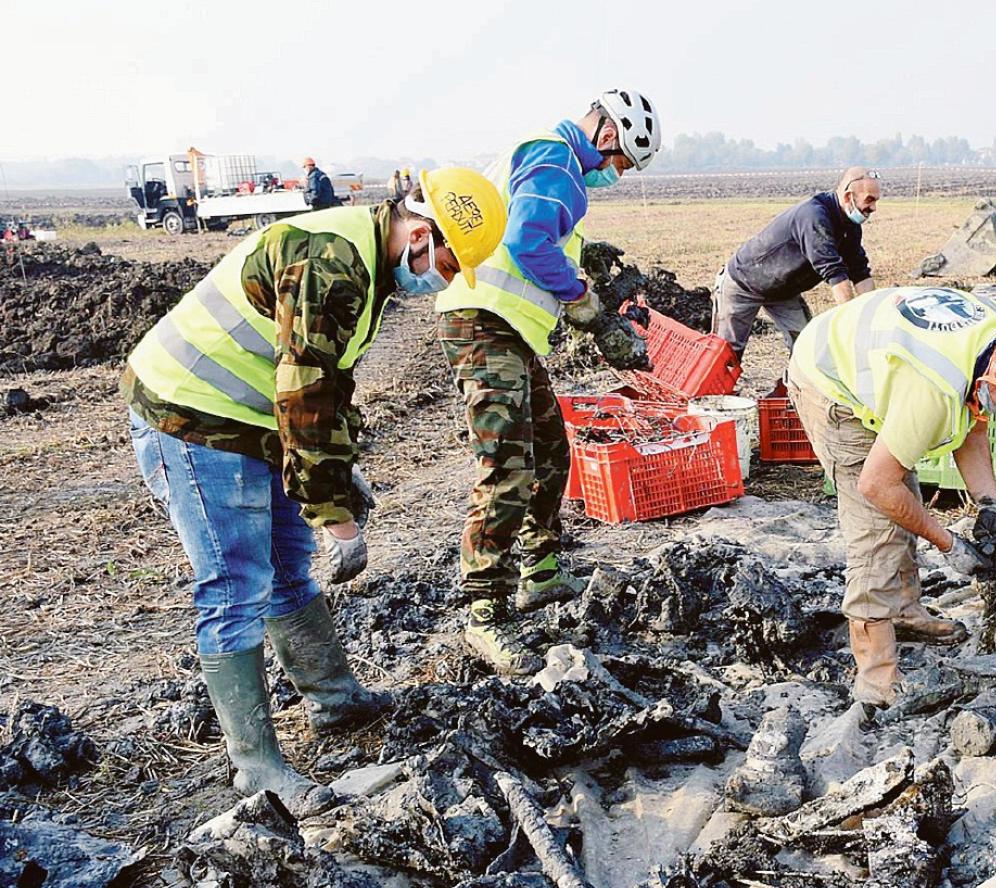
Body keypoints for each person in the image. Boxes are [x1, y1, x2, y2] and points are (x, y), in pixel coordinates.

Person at [122, 169, 507, 812]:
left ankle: (333, 701)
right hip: (190, 414)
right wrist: (333, 513)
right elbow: (303, 393)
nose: (442, 280)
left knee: (286, 568)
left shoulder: (369, 261)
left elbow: (328, 383)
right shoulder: (334, 263)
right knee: (236, 584)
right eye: (446, 264)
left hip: (252, 416)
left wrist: (337, 466)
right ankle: (256, 767)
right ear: (420, 233)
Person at [434, 89, 662, 673]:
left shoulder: (545, 155)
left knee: (551, 449)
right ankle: (483, 611)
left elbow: (538, 231)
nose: (615, 175)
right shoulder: (559, 160)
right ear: (608, 137)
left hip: (505, 328)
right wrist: (583, 301)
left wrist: (582, 258)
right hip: (485, 324)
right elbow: (527, 241)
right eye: (621, 163)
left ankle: (540, 571)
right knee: (508, 464)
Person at [787, 286, 996, 706]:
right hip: (828, 380)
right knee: (878, 528)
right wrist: (949, 544)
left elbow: (973, 424)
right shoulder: (934, 389)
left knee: (903, 497)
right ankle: (876, 677)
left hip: (882, 364)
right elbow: (876, 485)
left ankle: (905, 613)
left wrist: (991, 505)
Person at [712, 167, 879, 357]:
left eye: (876, 200)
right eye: (869, 200)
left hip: (782, 291)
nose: (874, 208)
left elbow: (859, 272)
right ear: (848, 196)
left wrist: (871, 317)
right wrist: (852, 323)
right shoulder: (814, 216)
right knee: (726, 357)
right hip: (744, 283)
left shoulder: (851, 226)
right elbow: (833, 272)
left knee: (806, 349)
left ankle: (792, 377)